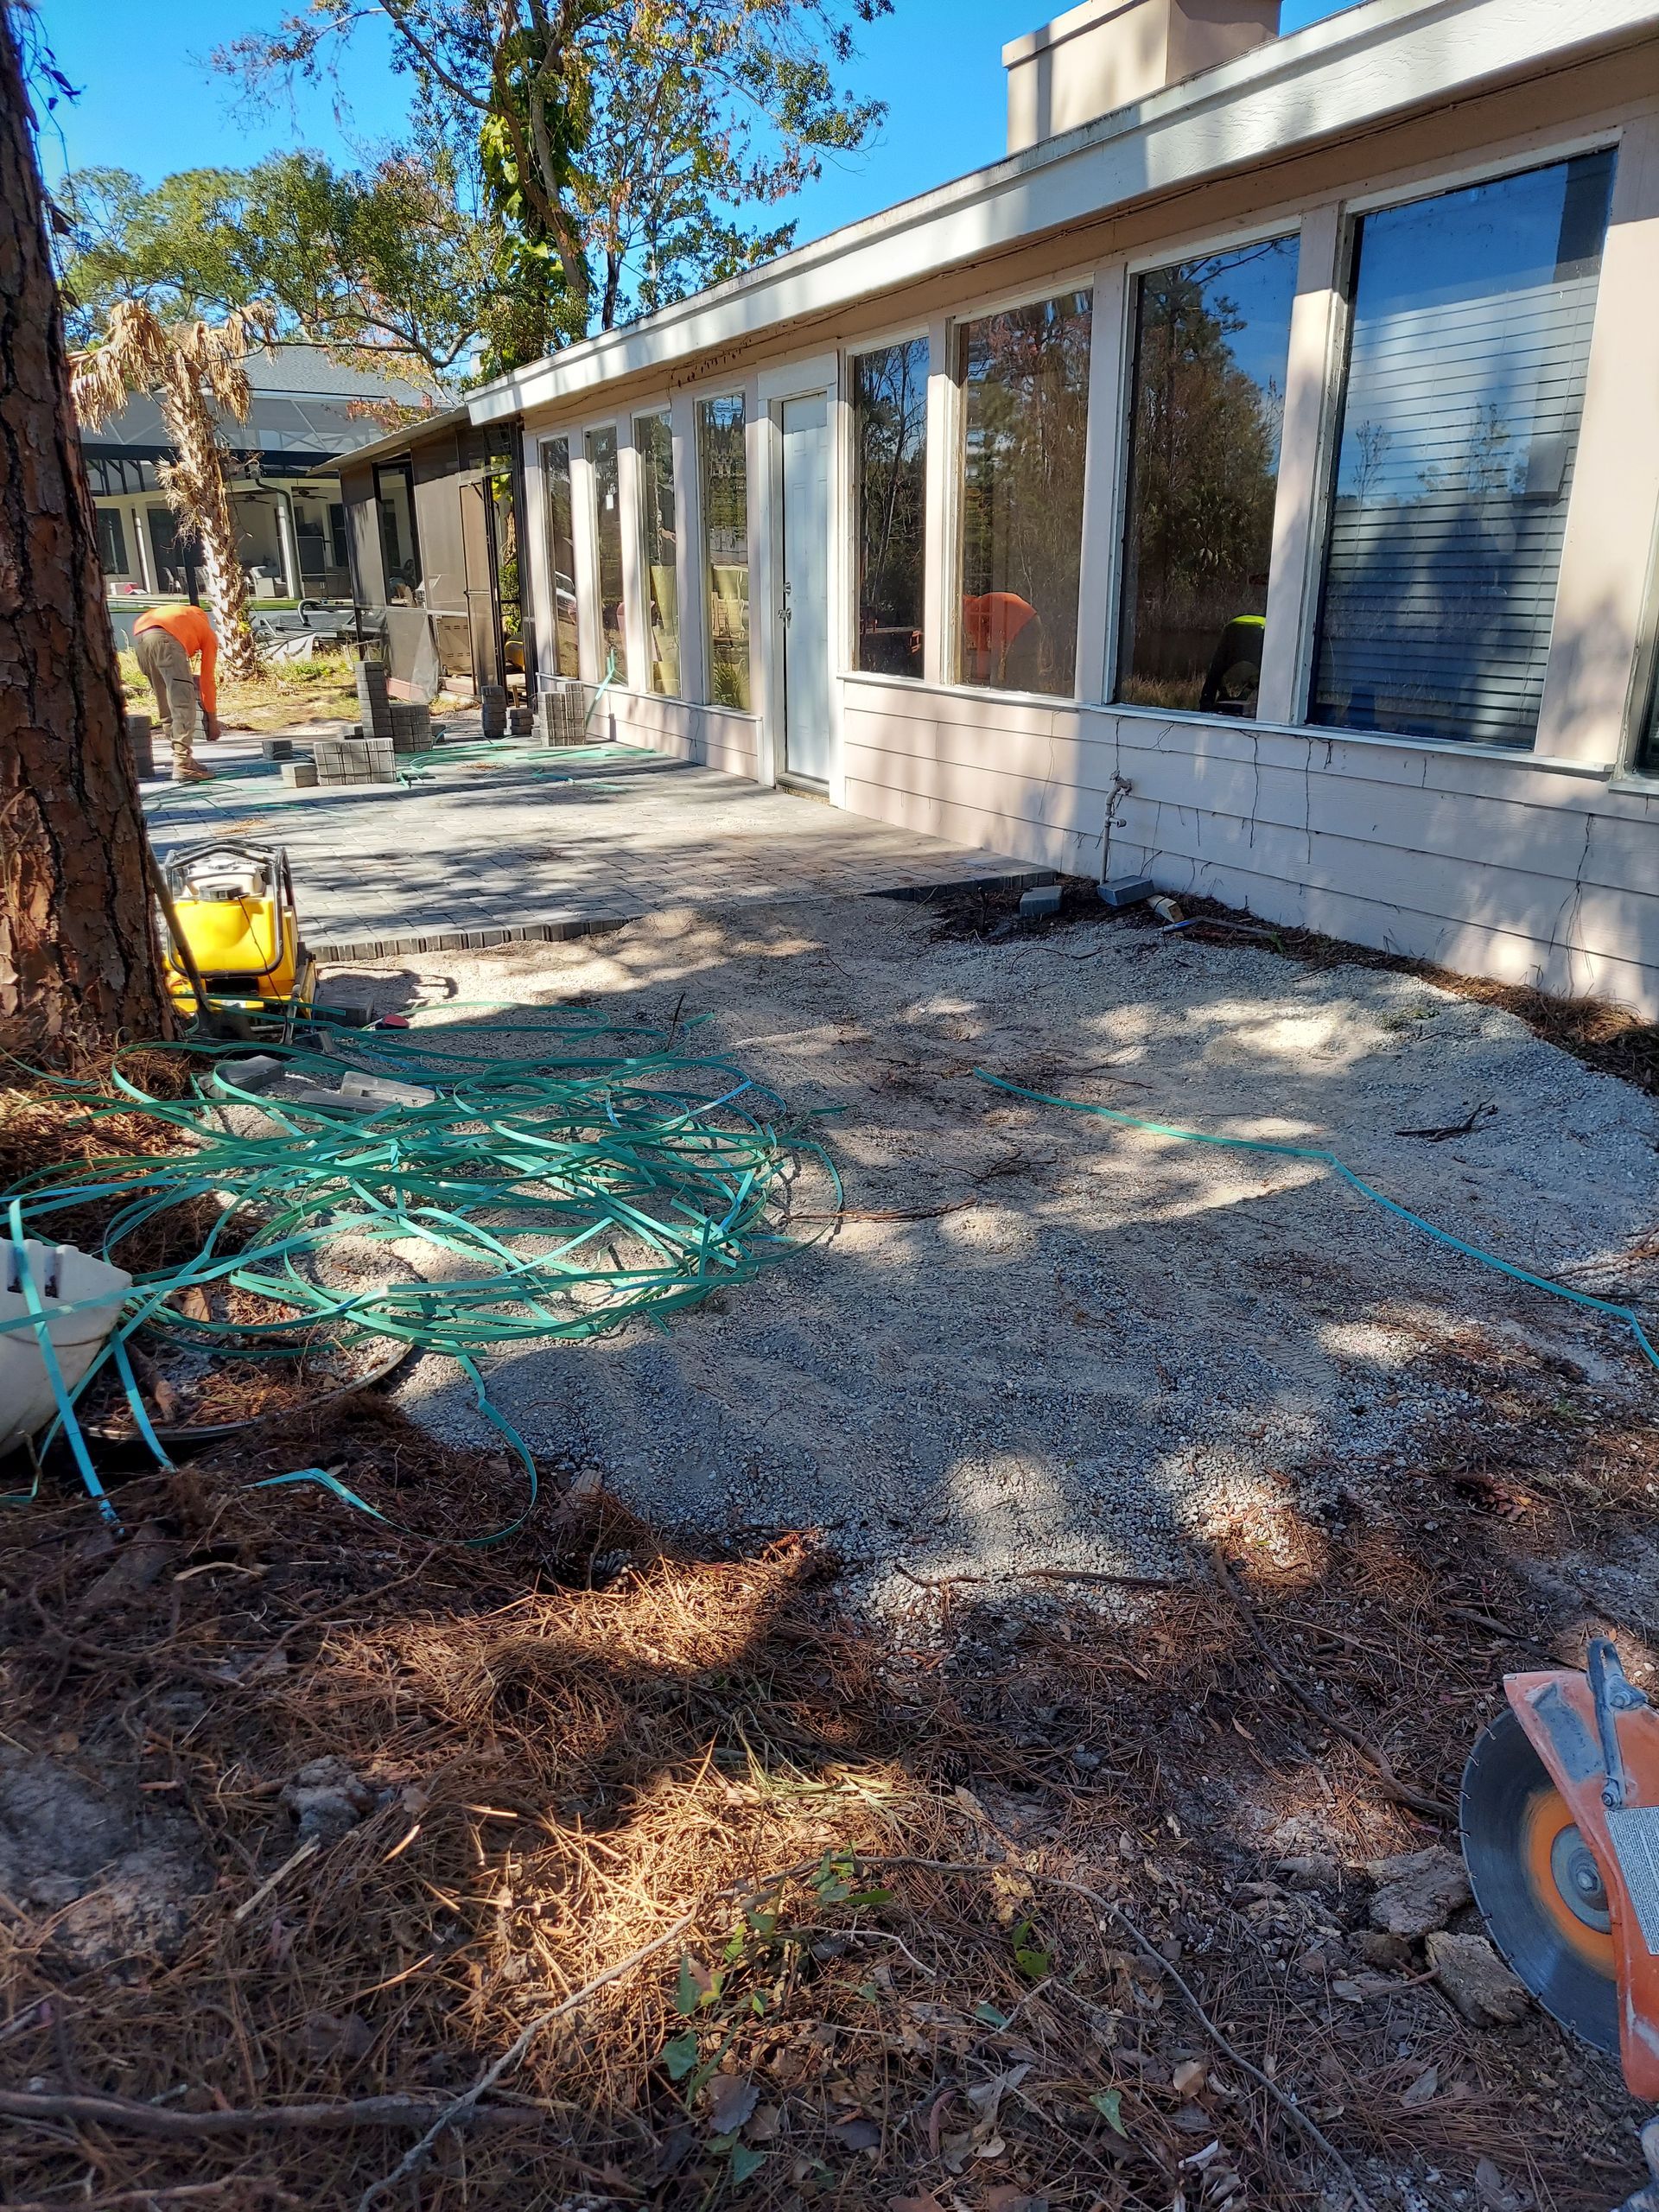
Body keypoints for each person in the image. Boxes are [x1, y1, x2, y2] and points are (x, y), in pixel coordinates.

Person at [131, 601, 220, 782]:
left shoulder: (182, 618)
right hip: (166, 641)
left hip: (141, 639)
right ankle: (183, 764)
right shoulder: (206, 631)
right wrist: (212, 720)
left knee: (165, 701)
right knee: (182, 703)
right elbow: (207, 680)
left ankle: (183, 757)